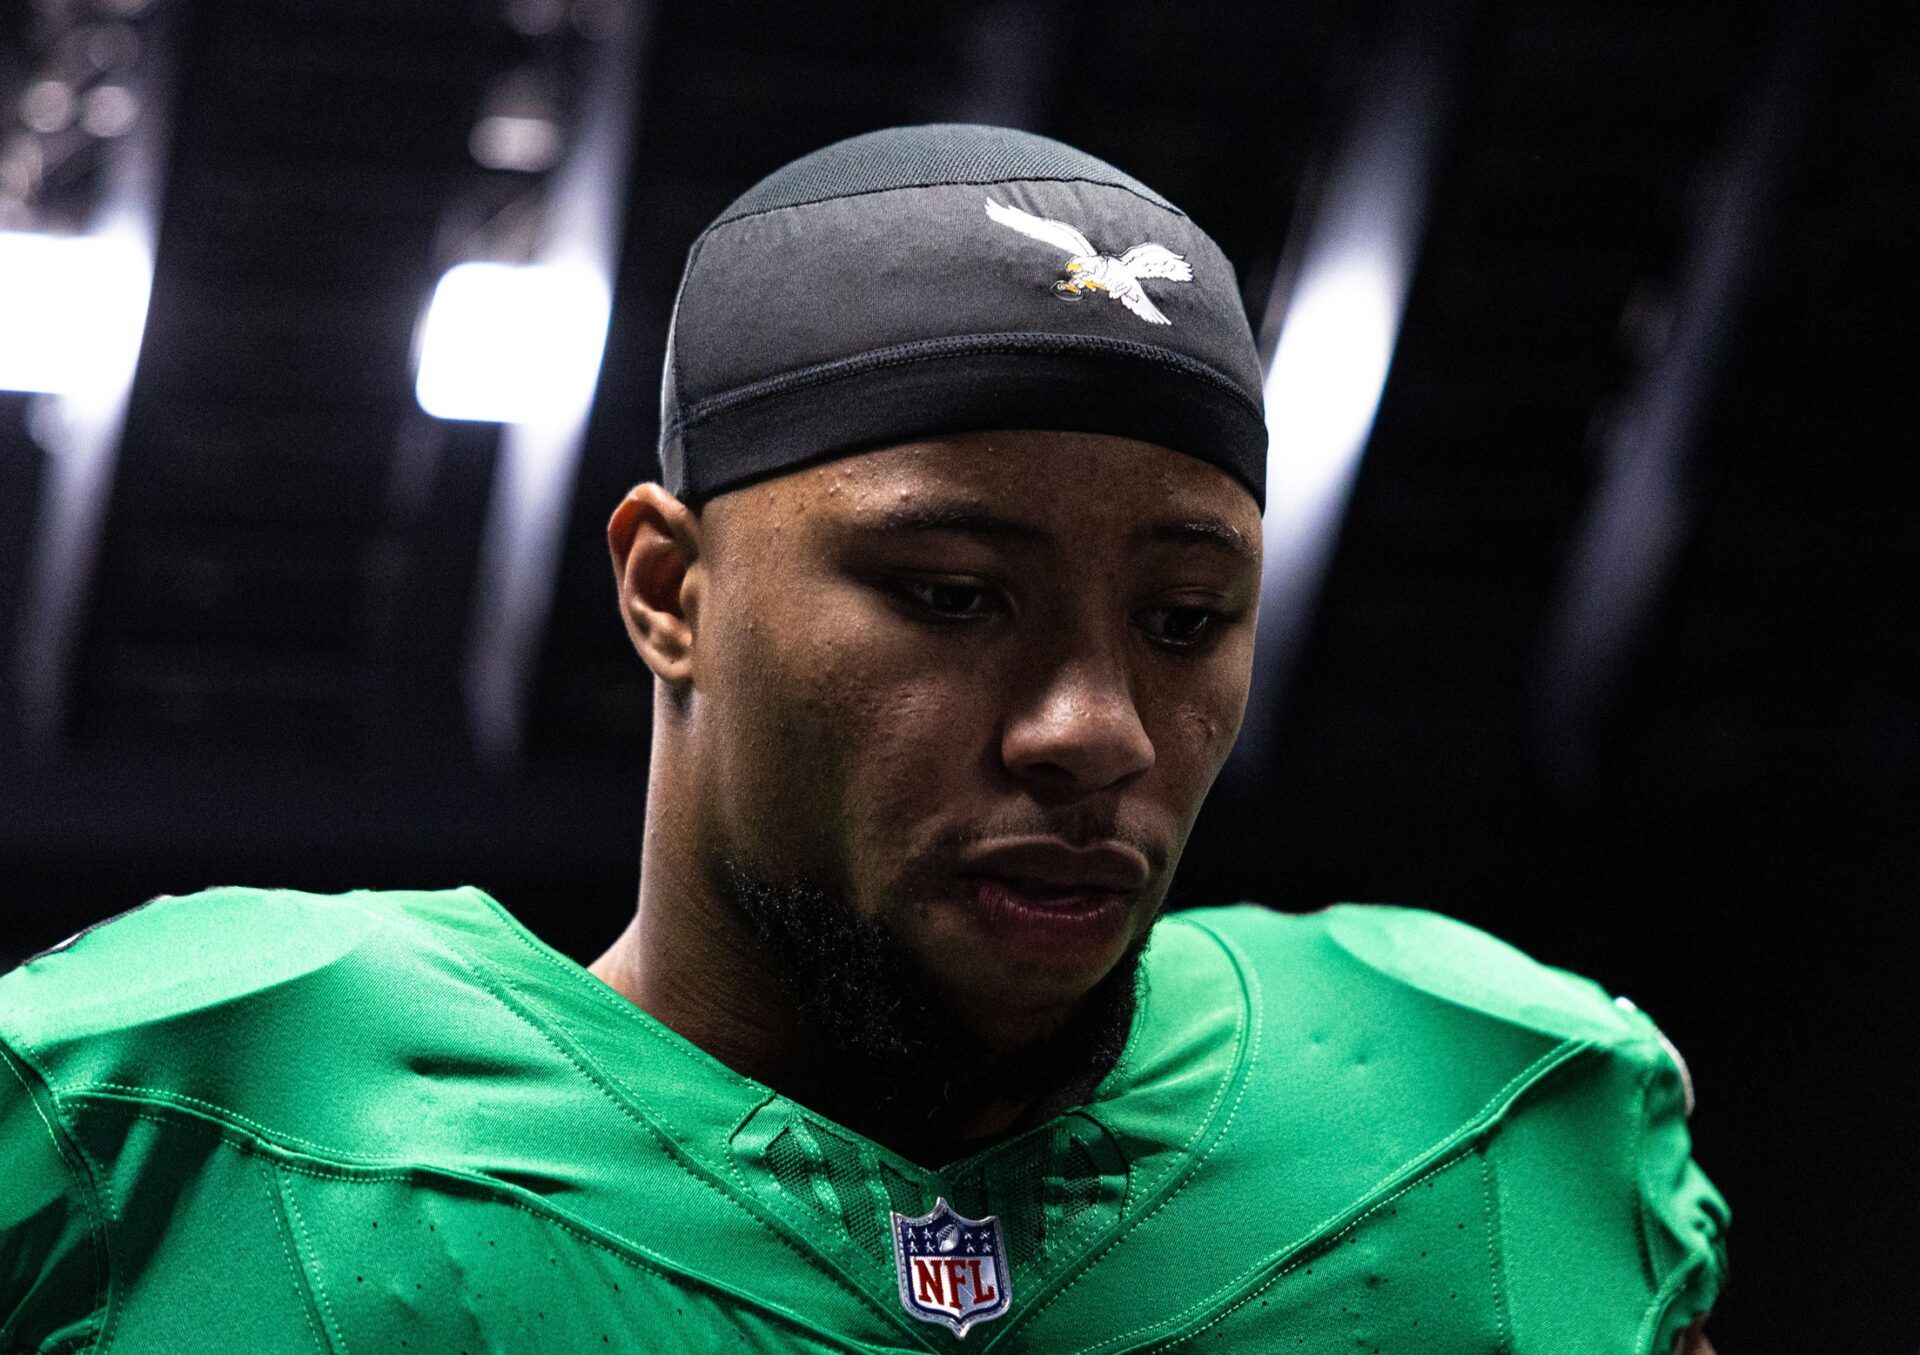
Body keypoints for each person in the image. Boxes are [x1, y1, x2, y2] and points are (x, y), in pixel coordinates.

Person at [0, 124, 1725, 1352]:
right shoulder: (164, 1120)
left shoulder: (1488, 1116)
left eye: (1186, 620)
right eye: (956, 595)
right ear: (671, 590)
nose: (1093, 730)